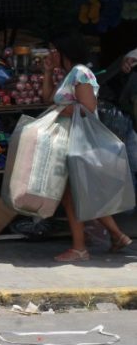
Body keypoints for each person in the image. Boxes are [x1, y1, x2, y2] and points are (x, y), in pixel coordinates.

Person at [44, 31, 133, 261]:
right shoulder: (68, 75)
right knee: (76, 195)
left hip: (81, 143)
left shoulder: (80, 73)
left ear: (65, 51)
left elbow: (87, 108)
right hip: (70, 142)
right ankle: (114, 236)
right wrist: (47, 72)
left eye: (53, 50)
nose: (50, 53)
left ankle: (81, 247)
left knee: (76, 195)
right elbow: (47, 99)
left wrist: (58, 111)